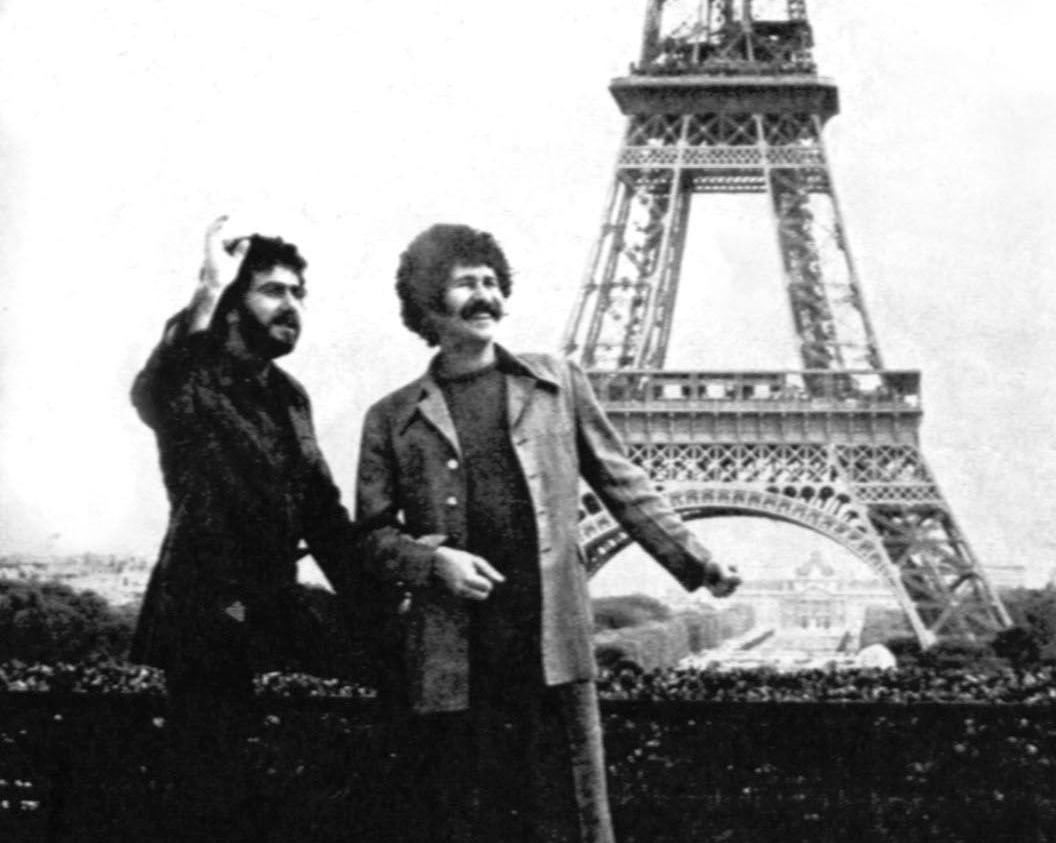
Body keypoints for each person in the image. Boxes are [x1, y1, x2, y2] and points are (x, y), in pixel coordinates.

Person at [356, 223, 742, 843]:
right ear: (428, 301)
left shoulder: (557, 383)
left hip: (547, 643)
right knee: (468, 817)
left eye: (491, 281)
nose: (484, 296)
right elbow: (371, 537)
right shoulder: (391, 417)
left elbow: (624, 484)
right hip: (454, 650)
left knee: (562, 816)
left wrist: (697, 561)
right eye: (464, 283)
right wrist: (434, 563)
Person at [131, 215, 356, 840]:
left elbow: (325, 518)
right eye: (274, 291)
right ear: (232, 305)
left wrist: (385, 602)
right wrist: (208, 285)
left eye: (298, 294)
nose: (293, 307)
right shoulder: (190, 382)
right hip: (205, 621)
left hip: (270, 615)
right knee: (213, 803)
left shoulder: (290, 397)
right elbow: (160, 380)